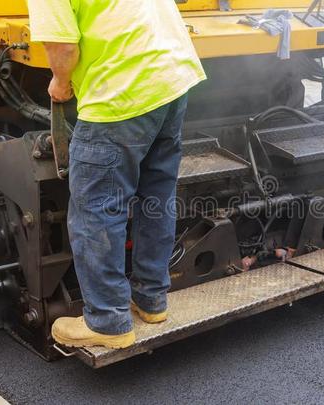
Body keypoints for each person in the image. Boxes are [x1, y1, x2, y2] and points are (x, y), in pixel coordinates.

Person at [28, 0, 206, 349]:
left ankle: (108, 321)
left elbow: (63, 46)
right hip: (172, 81)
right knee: (156, 195)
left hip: (121, 94)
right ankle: (152, 299)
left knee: (96, 209)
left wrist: (61, 83)